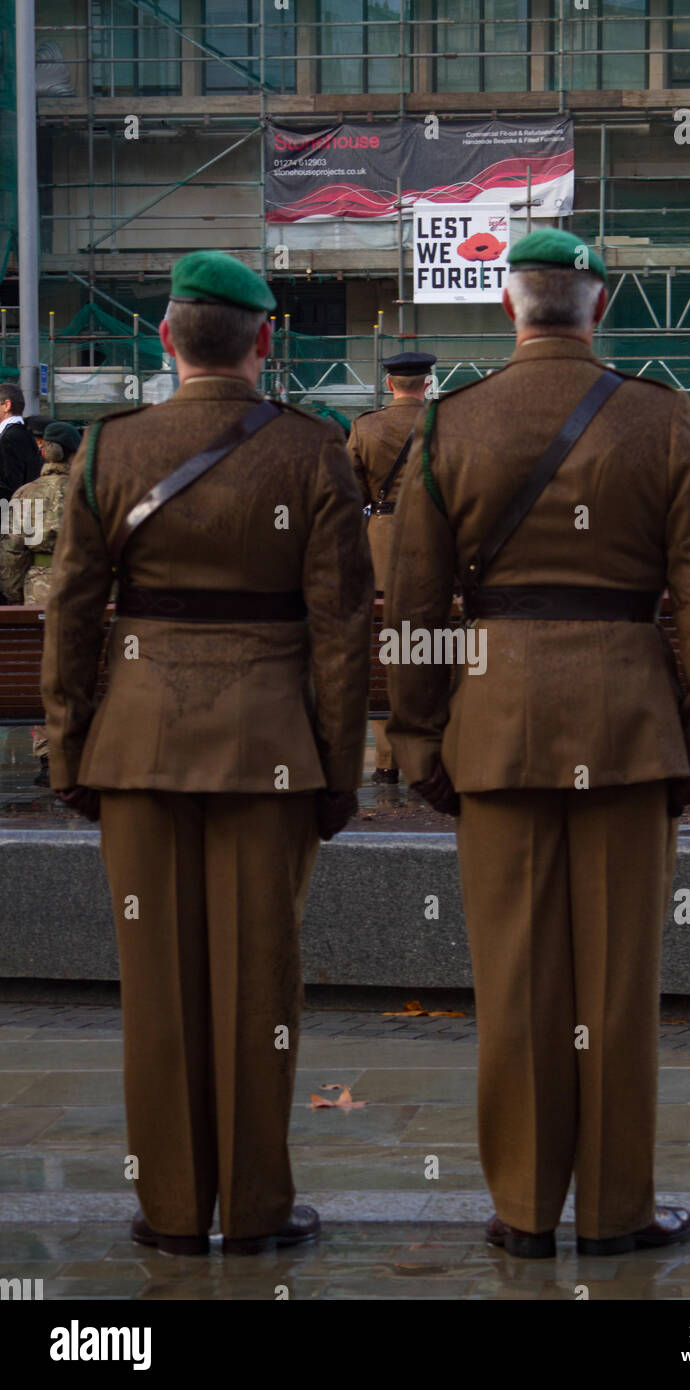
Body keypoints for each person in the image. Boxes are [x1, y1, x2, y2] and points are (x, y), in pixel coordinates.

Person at [384, 228, 690, 1259]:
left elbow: (412, 603)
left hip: (494, 722)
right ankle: (617, 1207)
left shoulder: (449, 423)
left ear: (506, 309)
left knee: (513, 977)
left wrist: (418, 736)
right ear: (599, 304)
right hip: (627, 724)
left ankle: (525, 1208)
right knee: (618, 981)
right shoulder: (659, 420)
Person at [41, 250, 374, 1256]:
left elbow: (70, 611)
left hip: (137, 741)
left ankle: (175, 1210)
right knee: (260, 984)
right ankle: (257, 1207)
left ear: (164, 336)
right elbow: (342, 629)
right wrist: (336, 767)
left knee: (155, 989)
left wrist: (69, 748)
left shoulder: (109, 450)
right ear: (264, 341)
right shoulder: (315, 452)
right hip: (268, 746)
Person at [346, 351, 436, 784]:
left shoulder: (366, 427)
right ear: (428, 382)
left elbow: (349, 493)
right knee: (433, 646)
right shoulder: (446, 422)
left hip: (381, 543)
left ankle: (386, 760)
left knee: (384, 649)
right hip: (433, 543)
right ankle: (427, 753)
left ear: (389, 385)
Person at [0, 420, 80, 786]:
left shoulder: (24, 495)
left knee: (44, 672)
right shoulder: (96, 492)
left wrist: (16, 597)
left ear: (44, 452)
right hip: (87, 591)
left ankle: (49, 756)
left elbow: (12, 555)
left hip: (39, 592)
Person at [0, 383, 43, 504]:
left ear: (7, 405)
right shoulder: (27, 434)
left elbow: (10, 485)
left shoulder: (8, 438)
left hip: (12, 515)